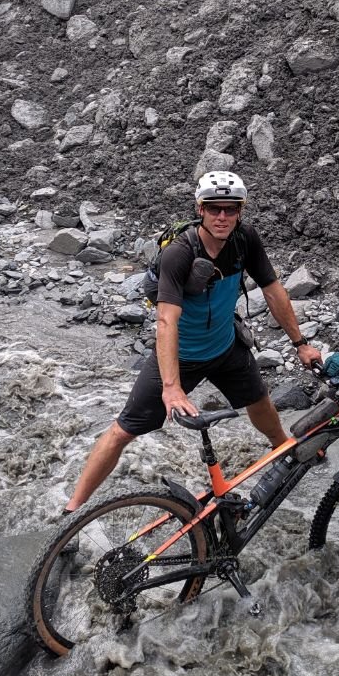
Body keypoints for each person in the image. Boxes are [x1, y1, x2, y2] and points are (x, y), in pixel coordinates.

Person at [64, 171, 322, 511]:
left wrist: (300, 343)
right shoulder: (180, 253)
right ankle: (72, 510)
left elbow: (273, 290)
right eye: (214, 208)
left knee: (261, 403)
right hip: (180, 355)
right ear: (200, 209)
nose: (222, 216)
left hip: (226, 346)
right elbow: (166, 319)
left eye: (231, 209)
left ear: (240, 211)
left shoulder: (245, 240)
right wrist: (170, 387)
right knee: (123, 431)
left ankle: (285, 453)